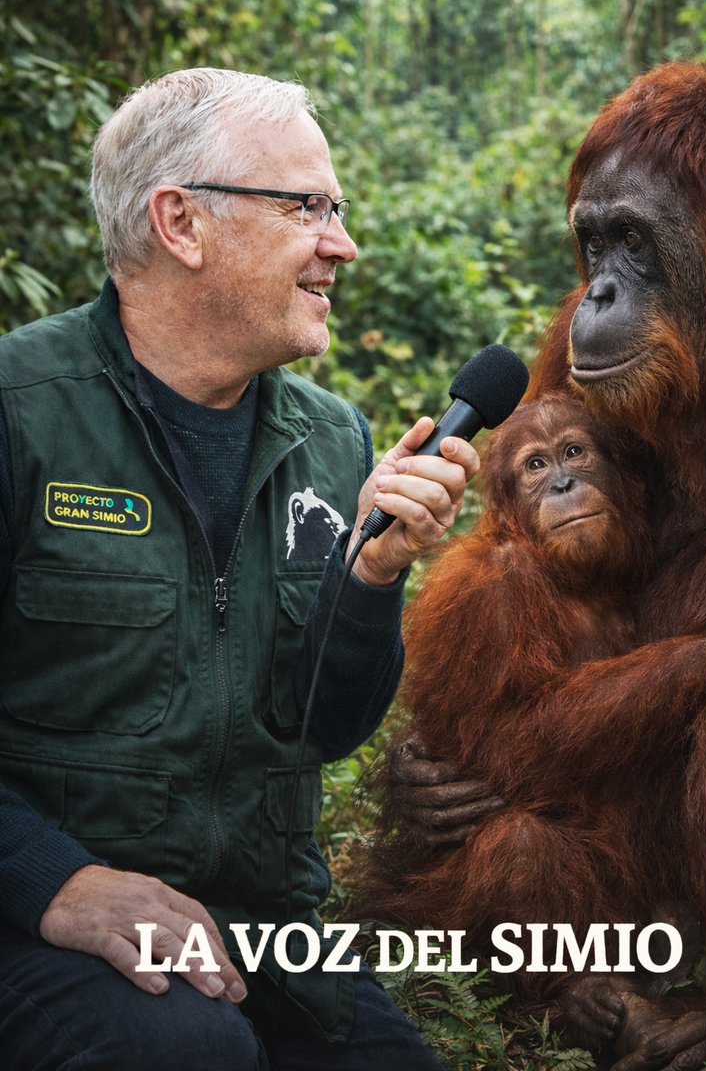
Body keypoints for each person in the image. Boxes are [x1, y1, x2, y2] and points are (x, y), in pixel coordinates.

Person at [0, 68, 479, 1070]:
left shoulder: (331, 440)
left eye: (336, 209)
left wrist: (370, 577)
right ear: (181, 223)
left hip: (266, 931)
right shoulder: (21, 414)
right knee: (182, 1049)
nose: (340, 244)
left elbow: (322, 726)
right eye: (307, 205)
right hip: (36, 923)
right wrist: (54, 883)